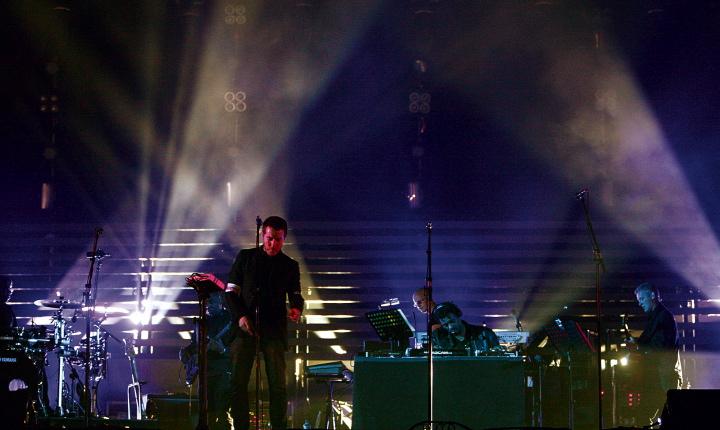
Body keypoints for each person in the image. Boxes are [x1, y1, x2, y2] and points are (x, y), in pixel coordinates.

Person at [224, 216, 304, 430]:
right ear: (262, 235)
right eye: (270, 238)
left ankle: (278, 426)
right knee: (238, 383)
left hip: (273, 329)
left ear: (284, 238)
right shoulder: (246, 258)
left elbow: (295, 294)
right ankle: (241, 426)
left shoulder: (289, 265)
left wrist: (296, 308)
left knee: (278, 385)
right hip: (245, 327)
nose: (273, 244)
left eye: (278, 239)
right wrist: (241, 316)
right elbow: (230, 293)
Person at [630, 282, 681, 423]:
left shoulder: (663, 317)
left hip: (662, 378)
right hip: (660, 376)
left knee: (661, 416)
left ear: (652, 295)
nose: (640, 303)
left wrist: (638, 347)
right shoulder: (658, 316)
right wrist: (637, 343)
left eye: (642, 299)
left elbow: (659, 347)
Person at [431, 302, 500, 354]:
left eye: (452, 321)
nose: (450, 327)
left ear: (458, 316)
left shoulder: (485, 333)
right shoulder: (437, 337)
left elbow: (498, 358)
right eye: (445, 325)